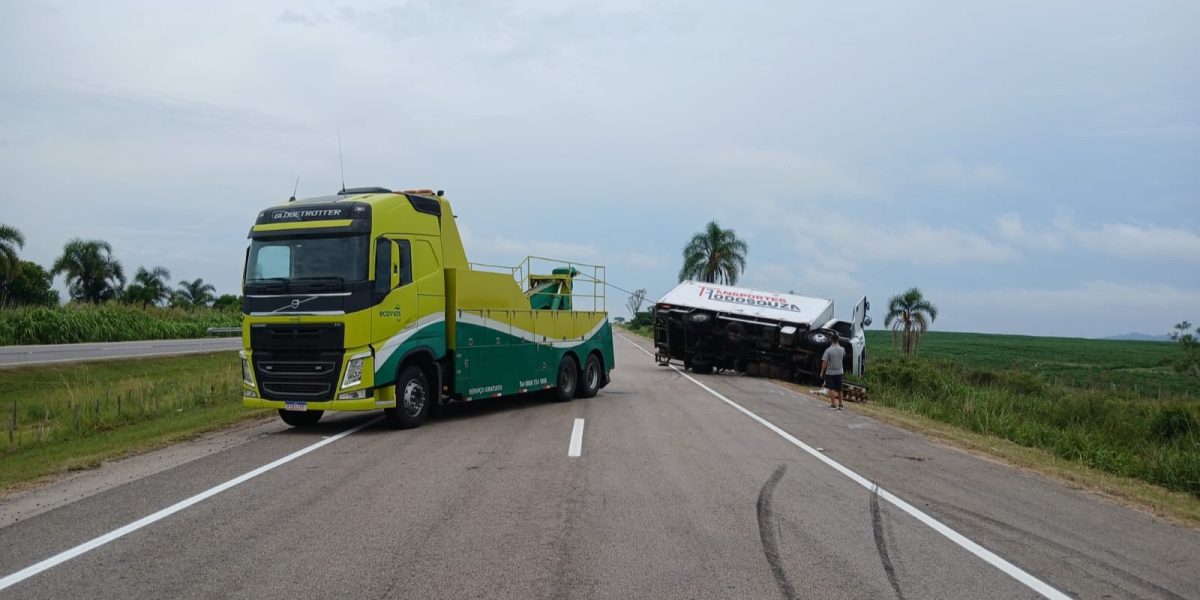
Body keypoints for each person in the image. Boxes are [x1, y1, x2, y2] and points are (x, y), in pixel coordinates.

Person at [820, 334, 846, 410]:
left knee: (832, 388)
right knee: (840, 389)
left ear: (831, 340)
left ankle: (833, 404)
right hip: (840, 371)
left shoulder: (828, 350)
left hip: (830, 372)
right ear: (838, 340)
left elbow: (824, 362)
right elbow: (843, 356)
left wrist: (822, 372)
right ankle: (841, 405)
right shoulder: (842, 349)